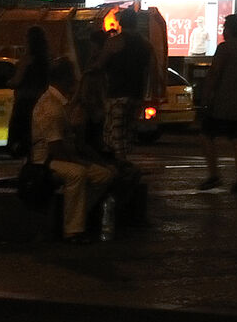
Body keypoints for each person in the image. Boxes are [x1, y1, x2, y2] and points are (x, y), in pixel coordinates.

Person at [31, 59, 115, 243]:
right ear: (65, 78)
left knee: (103, 175)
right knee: (77, 173)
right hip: (44, 161)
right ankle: (73, 230)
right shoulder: (51, 107)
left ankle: (74, 213)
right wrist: (80, 161)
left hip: (55, 157)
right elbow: (55, 148)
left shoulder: (56, 102)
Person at [200, 13, 237, 193]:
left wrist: (206, 96)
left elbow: (215, 74)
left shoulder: (224, 49)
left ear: (228, 29)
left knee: (206, 135)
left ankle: (214, 175)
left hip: (223, 103)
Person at [97, 13, 153, 160]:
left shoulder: (115, 42)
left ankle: (119, 167)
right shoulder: (146, 44)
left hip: (117, 93)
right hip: (136, 94)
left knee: (114, 134)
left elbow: (100, 65)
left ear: (121, 24)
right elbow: (152, 70)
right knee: (128, 131)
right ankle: (124, 163)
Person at [7, 26, 51, 159]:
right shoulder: (46, 59)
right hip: (41, 100)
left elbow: (17, 81)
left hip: (25, 102)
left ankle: (27, 166)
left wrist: (8, 82)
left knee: (22, 135)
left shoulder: (27, 59)